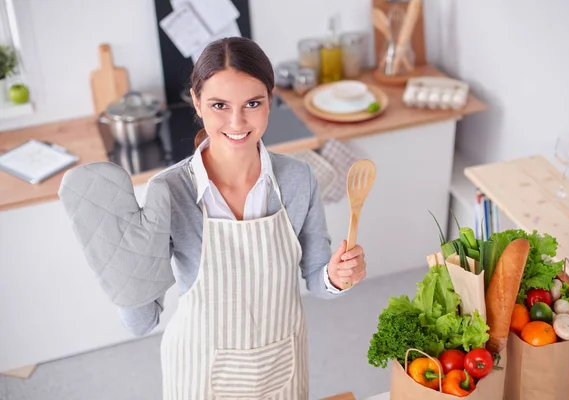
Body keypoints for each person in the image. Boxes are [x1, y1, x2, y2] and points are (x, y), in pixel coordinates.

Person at [59, 37, 366, 400]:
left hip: (281, 365)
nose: (237, 121)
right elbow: (141, 324)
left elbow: (317, 280)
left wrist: (336, 276)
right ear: (197, 102)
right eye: (220, 104)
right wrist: (121, 262)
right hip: (199, 368)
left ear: (271, 99)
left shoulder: (299, 179)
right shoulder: (169, 191)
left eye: (253, 103)